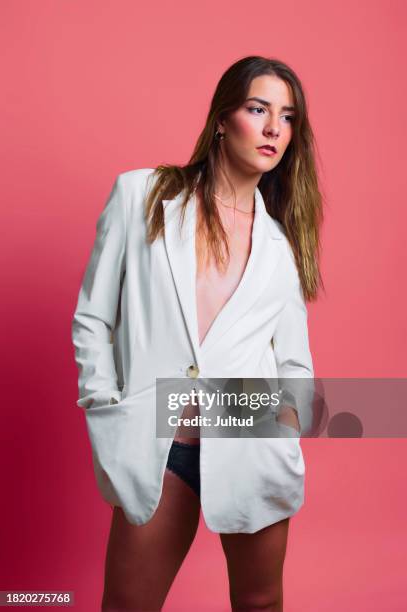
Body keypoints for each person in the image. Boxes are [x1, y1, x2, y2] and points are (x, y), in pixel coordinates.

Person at [71, 55, 324, 611]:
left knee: (260, 603)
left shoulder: (281, 248)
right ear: (222, 117)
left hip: (249, 444)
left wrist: (281, 429)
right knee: (127, 604)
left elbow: (295, 367)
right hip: (160, 448)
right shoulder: (143, 196)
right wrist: (106, 404)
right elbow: (93, 317)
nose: (273, 128)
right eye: (258, 109)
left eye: (287, 117)